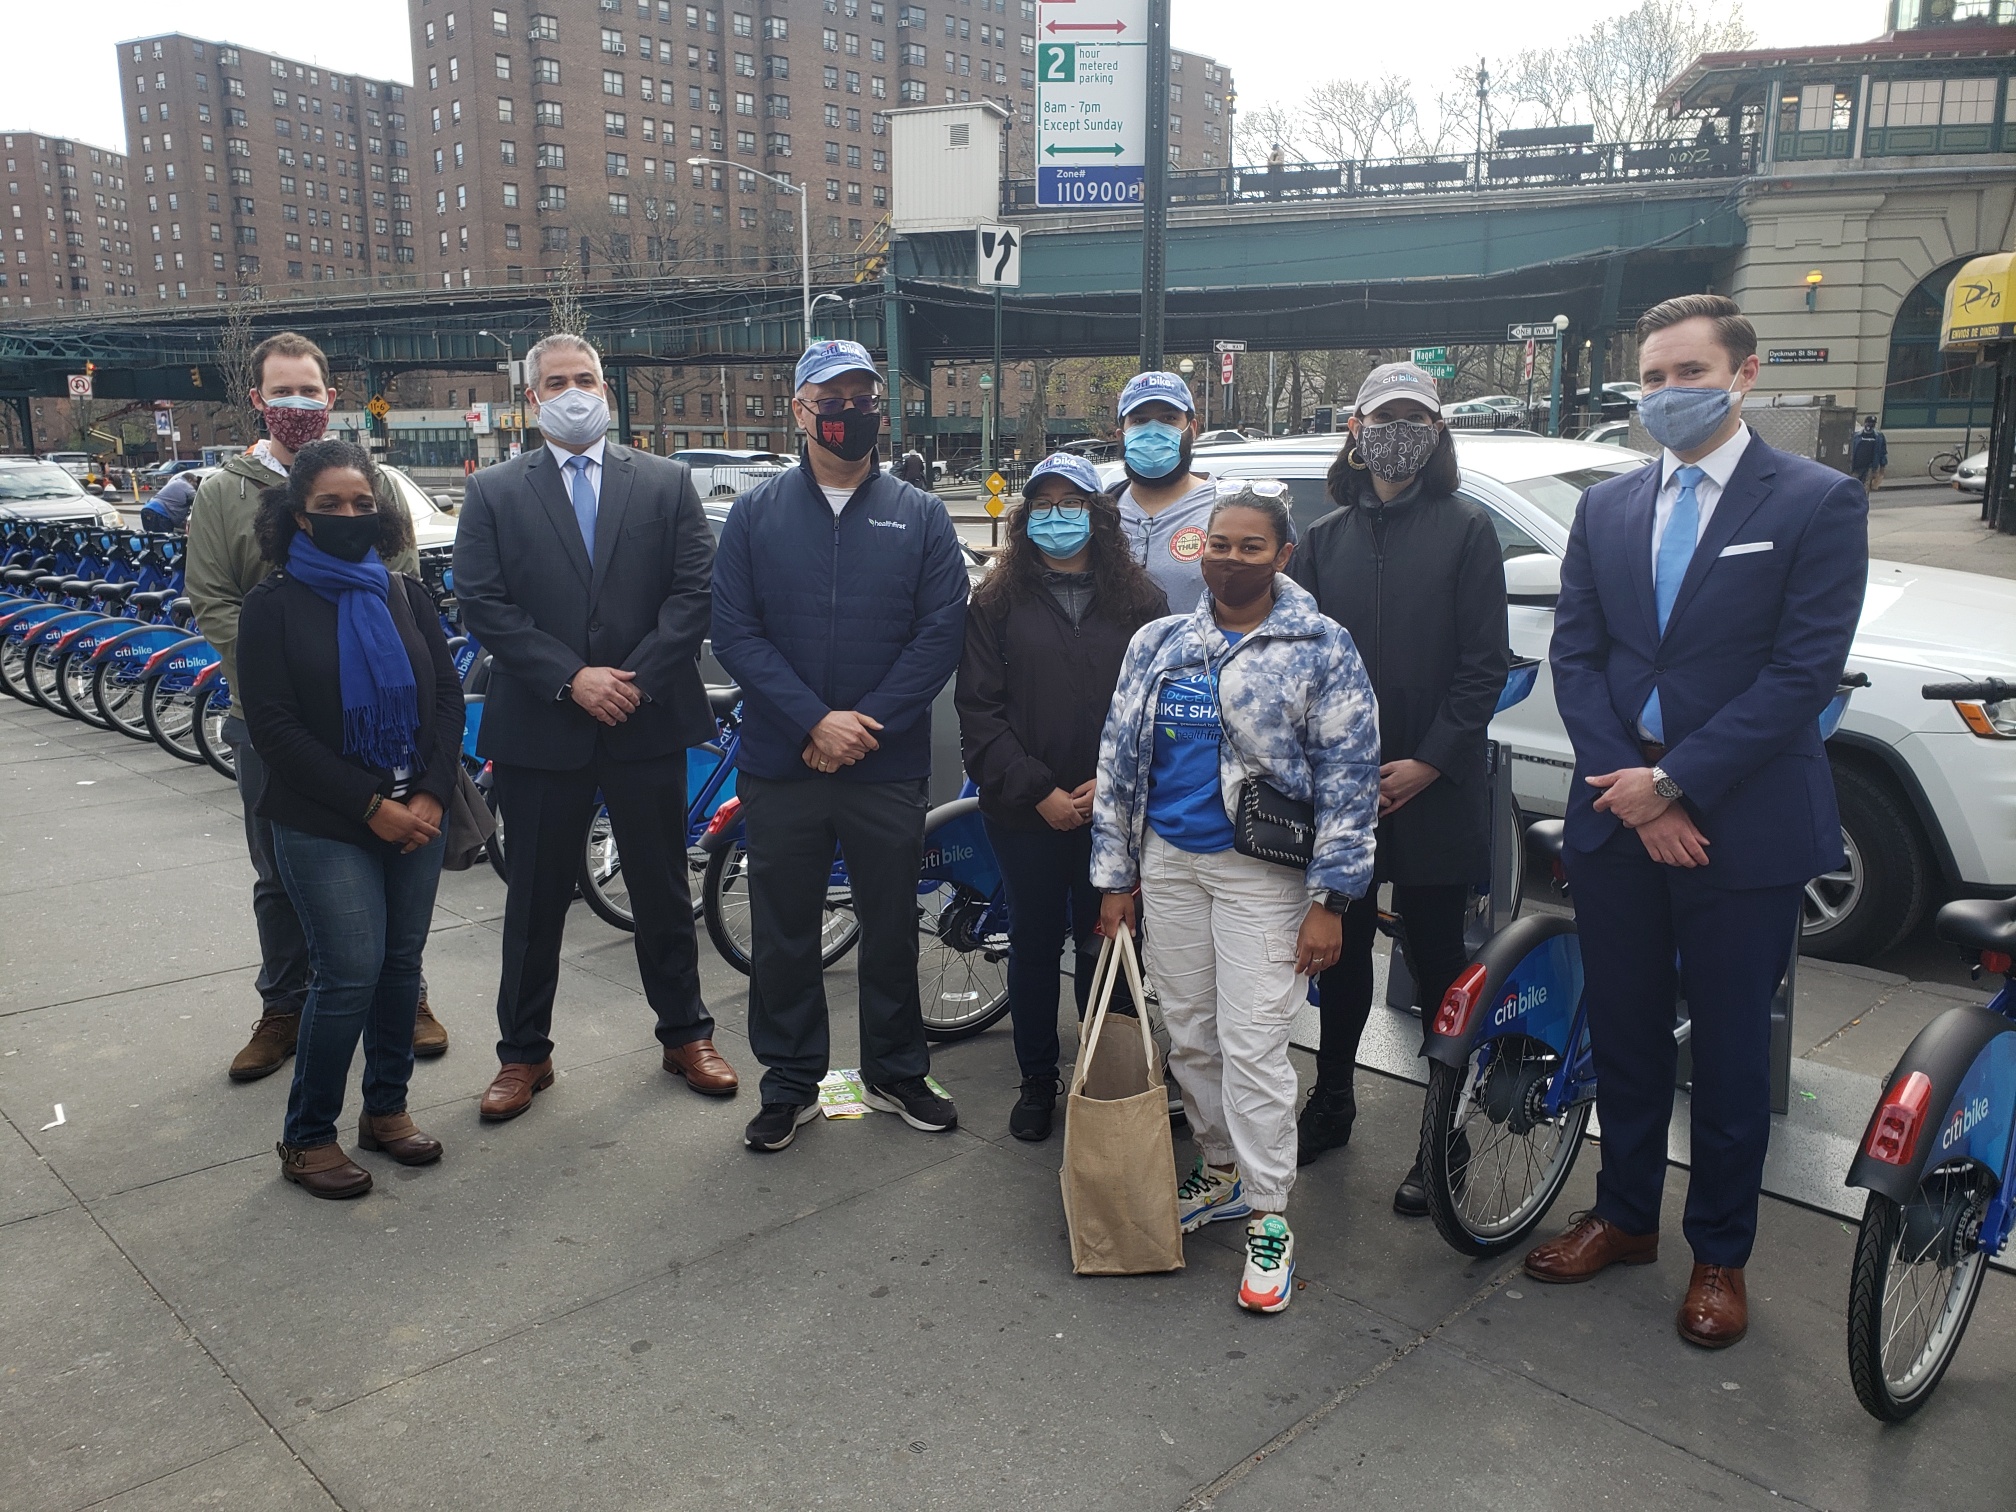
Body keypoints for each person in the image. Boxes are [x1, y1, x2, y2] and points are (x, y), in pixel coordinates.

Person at [1527, 294, 1867, 1349]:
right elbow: (1577, 658)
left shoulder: (1815, 501)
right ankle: (1625, 1215)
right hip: (1618, 811)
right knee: (1624, 1032)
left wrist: (1678, 790)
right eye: (1655, 375)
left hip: (1741, 823)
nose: (1667, 394)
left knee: (1727, 1055)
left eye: (1689, 373)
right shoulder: (1612, 506)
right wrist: (1630, 782)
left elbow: (1801, 674)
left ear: (1744, 375)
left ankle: (1720, 1253)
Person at [1092, 484, 1380, 1313]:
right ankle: (1218, 1170)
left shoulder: (1320, 646)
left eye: (1251, 546)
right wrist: (1115, 879)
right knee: (1190, 1031)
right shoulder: (1160, 642)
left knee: (1252, 1042)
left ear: (1283, 555)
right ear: (1202, 549)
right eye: (1220, 543)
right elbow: (1117, 760)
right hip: (1170, 864)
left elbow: (1351, 779)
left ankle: (1268, 1216)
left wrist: (1332, 897)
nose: (1231, 557)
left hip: (1264, 873)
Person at [453, 332, 737, 1121]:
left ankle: (686, 1034)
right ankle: (523, 1055)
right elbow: (482, 602)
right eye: (555, 382)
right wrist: (570, 678)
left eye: (585, 379)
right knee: (535, 901)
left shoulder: (666, 482)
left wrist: (630, 681)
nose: (572, 392)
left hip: (644, 720)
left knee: (660, 887)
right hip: (542, 728)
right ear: (533, 397)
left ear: (606, 392)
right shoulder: (494, 492)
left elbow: (692, 594)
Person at [711, 339, 970, 1153]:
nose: (849, 412)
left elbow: (939, 635)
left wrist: (861, 727)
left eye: (863, 398)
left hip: (883, 765)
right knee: (784, 929)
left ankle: (895, 1071)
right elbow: (736, 632)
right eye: (832, 398)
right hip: (782, 764)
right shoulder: (756, 514)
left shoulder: (921, 514)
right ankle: (789, 1082)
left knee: (891, 924)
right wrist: (811, 722)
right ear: (799, 409)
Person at [185, 332, 448, 1084]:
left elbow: (400, 584)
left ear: (330, 397)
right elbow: (214, 599)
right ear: (257, 399)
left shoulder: (373, 484)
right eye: (281, 391)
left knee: (395, 869)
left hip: (383, 723)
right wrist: (287, 686)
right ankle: (284, 1005)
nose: (296, 404)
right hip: (277, 724)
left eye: (309, 390)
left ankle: (408, 995)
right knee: (279, 874)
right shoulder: (222, 491)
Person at [1289, 363, 1511, 1205]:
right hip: (1341, 787)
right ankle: (1334, 1097)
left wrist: (1428, 761)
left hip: (1435, 784)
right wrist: (1329, 765)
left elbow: (1483, 666)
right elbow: (1300, 662)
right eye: (1387, 417)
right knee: (1335, 950)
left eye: (1418, 418)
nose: (1400, 432)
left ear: (1438, 432)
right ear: (1355, 427)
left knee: (1438, 958)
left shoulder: (1467, 531)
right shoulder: (1324, 538)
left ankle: (1441, 1132)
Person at [235, 440, 464, 1198]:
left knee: (401, 968)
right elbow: (275, 729)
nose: (348, 516)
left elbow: (445, 699)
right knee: (348, 975)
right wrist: (372, 808)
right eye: (331, 506)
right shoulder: (272, 606)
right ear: (298, 517)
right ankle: (306, 1138)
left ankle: (387, 1112)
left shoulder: (404, 594)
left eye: (362, 504)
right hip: (325, 821)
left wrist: (428, 794)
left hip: (417, 813)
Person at [956, 452, 1168, 1142]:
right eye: (1041, 505)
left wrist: (1115, 783)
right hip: (1026, 813)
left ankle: (1102, 1080)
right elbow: (980, 714)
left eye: (1070, 503)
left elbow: (1158, 709)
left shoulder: (1143, 605)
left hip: (1117, 810)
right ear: (1024, 518)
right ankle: (1036, 1080)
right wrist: (1038, 788)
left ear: (1099, 515)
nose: (1057, 518)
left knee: (1107, 946)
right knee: (1035, 943)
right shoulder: (994, 603)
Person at [1112, 371, 1219, 614]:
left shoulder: (1230, 509)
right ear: (1121, 435)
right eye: (1139, 421)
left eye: (1169, 418)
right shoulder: (1098, 513)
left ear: (1192, 429)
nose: (1153, 431)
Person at [140, 468, 198, 534]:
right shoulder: (187, 486)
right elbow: (197, 500)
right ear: (190, 480)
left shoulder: (174, 482)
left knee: (150, 538)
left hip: (147, 509)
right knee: (163, 540)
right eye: (195, 481)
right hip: (160, 514)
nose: (196, 484)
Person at [1851, 415, 1888, 490]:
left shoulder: (1879, 437)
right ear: (1865, 423)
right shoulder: (1856, 436)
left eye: (1873, 423)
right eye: (1869, 423)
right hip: (1856, 467)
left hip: (1869, 467)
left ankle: (1863, 501)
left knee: (1865, 488)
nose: (1870, 425)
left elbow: (1882, 452)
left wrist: (1882, 468)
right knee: (1853, 486)